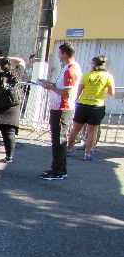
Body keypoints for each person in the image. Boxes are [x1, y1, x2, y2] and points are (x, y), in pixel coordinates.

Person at [38, 42, 82, 180]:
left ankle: (58, 171)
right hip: (59, 108)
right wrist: (49, 84)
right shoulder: (67, 68)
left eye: (59, 53)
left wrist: (50, 87)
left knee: (59, 140)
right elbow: (61, 87)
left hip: (62, 109)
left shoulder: (70, 69)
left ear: (64, 53)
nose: (58, 55)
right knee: (57, 140)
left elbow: (67, 92)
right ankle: (59, 169)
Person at [67, 55, 115, 160]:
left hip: (83, 105)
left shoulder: (87, 75)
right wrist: (103, 89)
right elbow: (111, 92)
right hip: (97, 105)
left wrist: (76, 101)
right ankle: (87, 154)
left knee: (75, 129)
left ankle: (68, 149)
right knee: (92, 131)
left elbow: (79, 91)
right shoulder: (108, 76)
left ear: (94, 64)